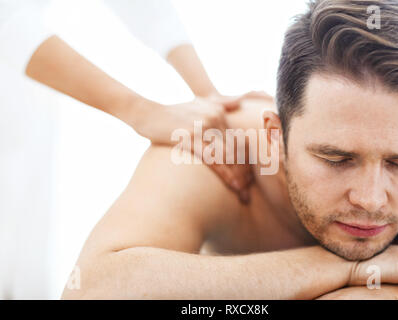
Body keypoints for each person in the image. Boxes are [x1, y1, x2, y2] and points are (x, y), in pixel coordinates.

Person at [61, 0, 398, 300]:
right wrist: (343, 271)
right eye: (336, 159)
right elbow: (91, 288)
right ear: (274, 136)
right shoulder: (216, 154)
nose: (369, 199)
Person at [0, 0, 270, 298]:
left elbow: (146, 8)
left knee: (21, 253)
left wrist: (210, 99)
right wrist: (142, 112)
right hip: (17, 77)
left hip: (26, 91)